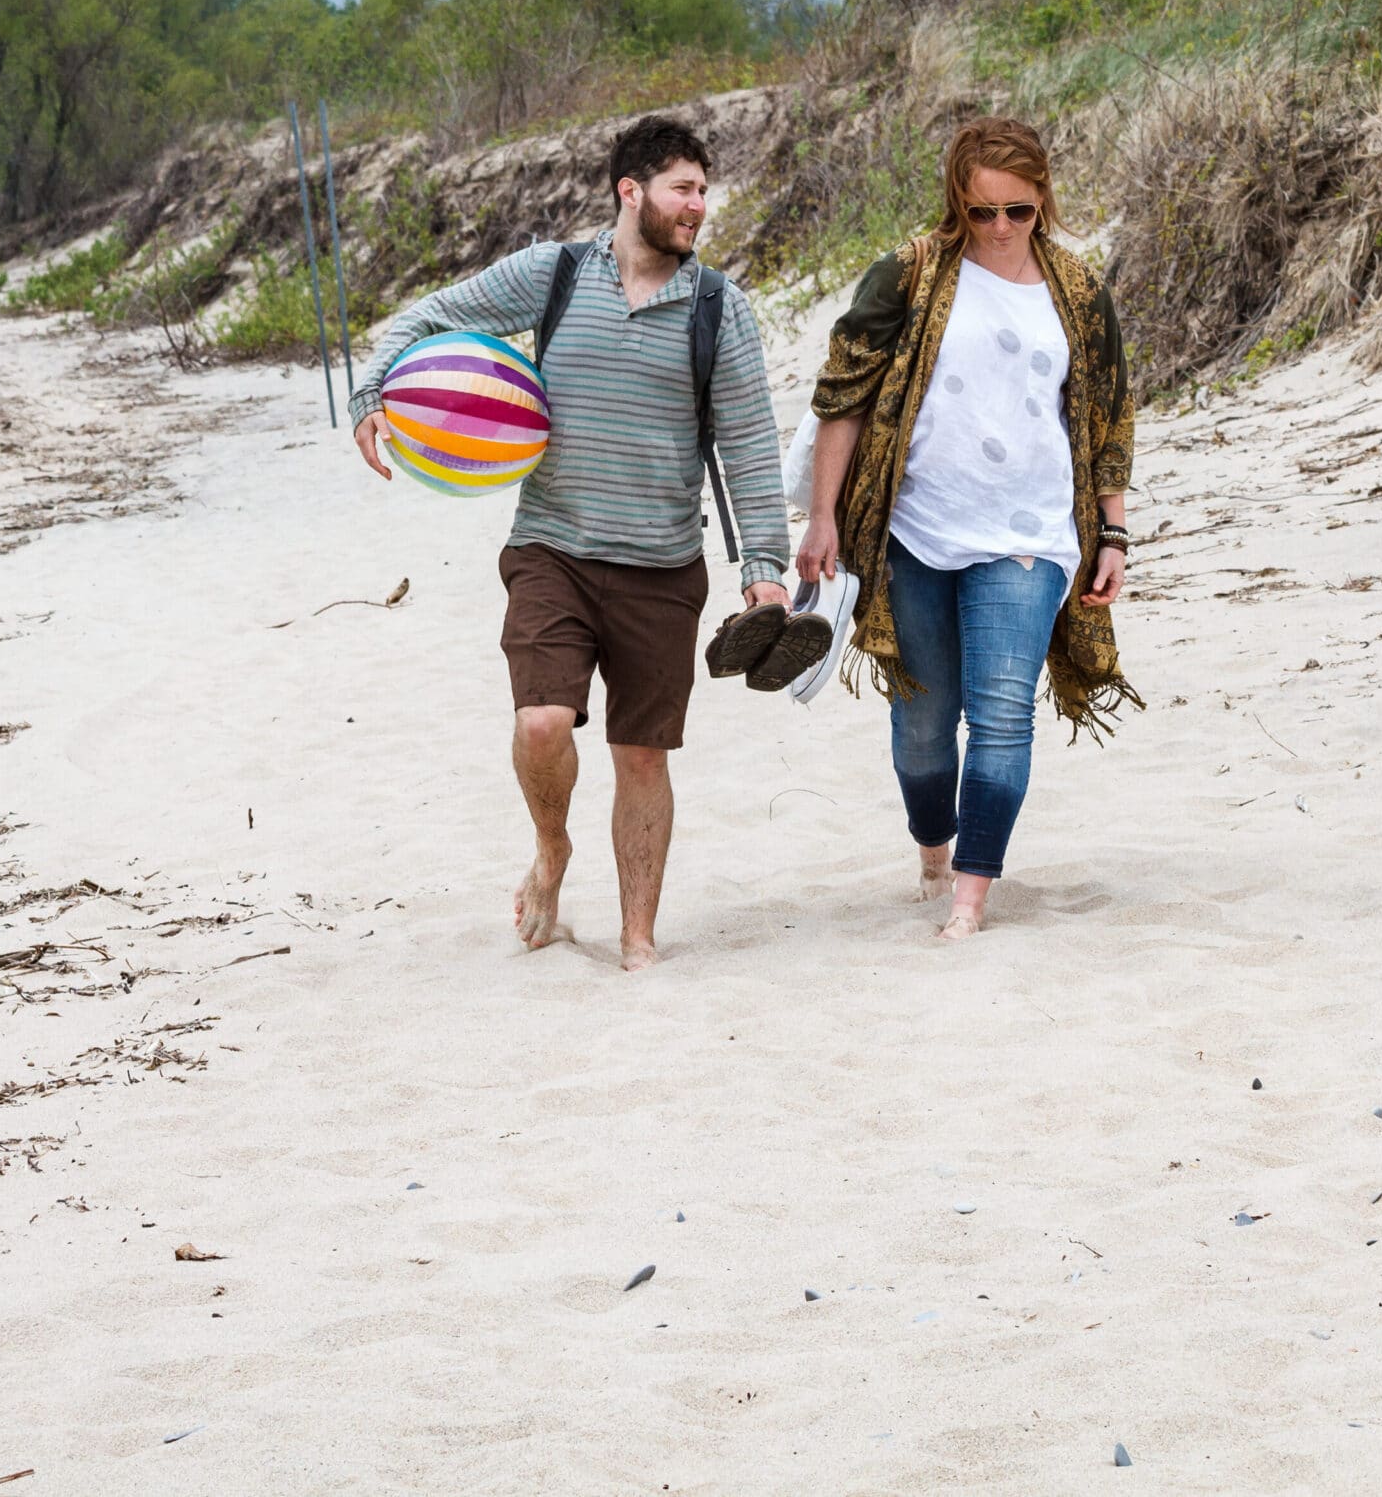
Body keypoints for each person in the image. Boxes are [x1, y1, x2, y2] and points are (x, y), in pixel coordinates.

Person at [349, 116, 792, 970]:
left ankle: (637, 940)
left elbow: (748, 440)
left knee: (640, 755)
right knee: (544, 723)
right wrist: (375, 390)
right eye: (683, 189)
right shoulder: (554, 275)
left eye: (704, 189)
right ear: (631, 191)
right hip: (551, 547)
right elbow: (428, 316)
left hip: (663, 564)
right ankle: (553, 848)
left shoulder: (716, 306)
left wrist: (763, 571)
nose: (699, 206)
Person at [796, 116, 1139, 941]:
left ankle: (970, 897)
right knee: (922, 726)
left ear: (1041, 200)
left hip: (1031, 535)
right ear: (957, 201)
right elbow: (841, 395)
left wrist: (1114, 532)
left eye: (1017, 211)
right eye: (981, 211)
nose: (998, 229)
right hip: (917, 527)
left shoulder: (1078, 290)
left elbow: (1108, 412)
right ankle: (932, 846)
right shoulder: (908, 275)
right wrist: (823, 516)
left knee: (1001, 714)